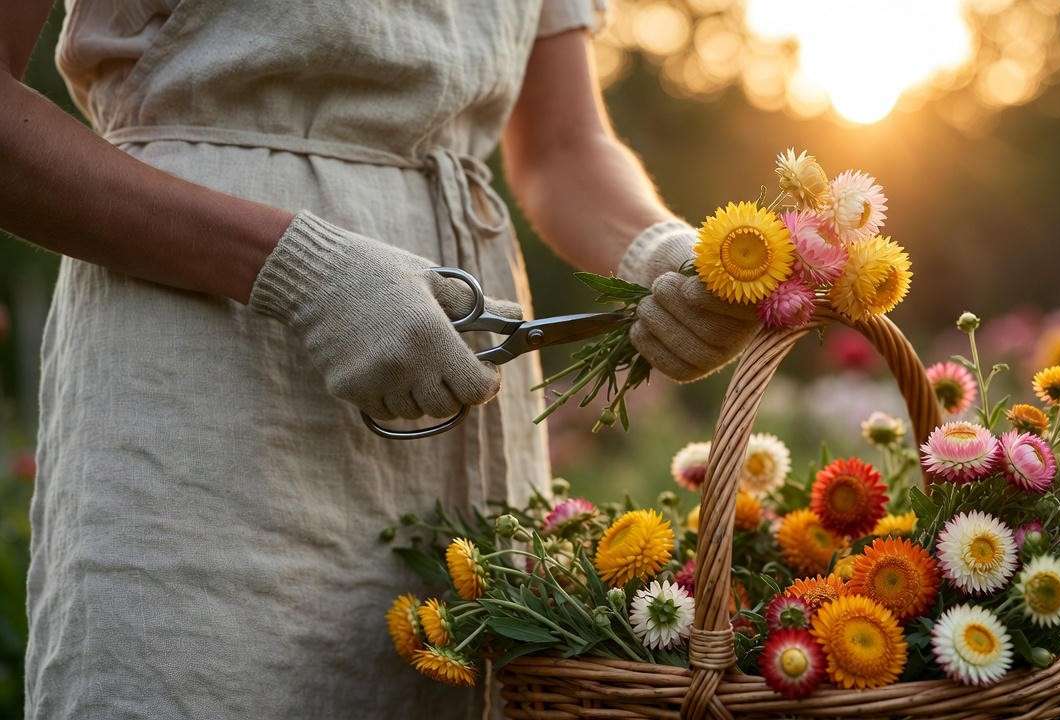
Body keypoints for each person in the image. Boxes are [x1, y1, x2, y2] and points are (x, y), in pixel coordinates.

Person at [0, 1, 758, 717]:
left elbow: (564, 146)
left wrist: (659, 251)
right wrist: (299, 269)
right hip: (201, 389)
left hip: (458, 399)